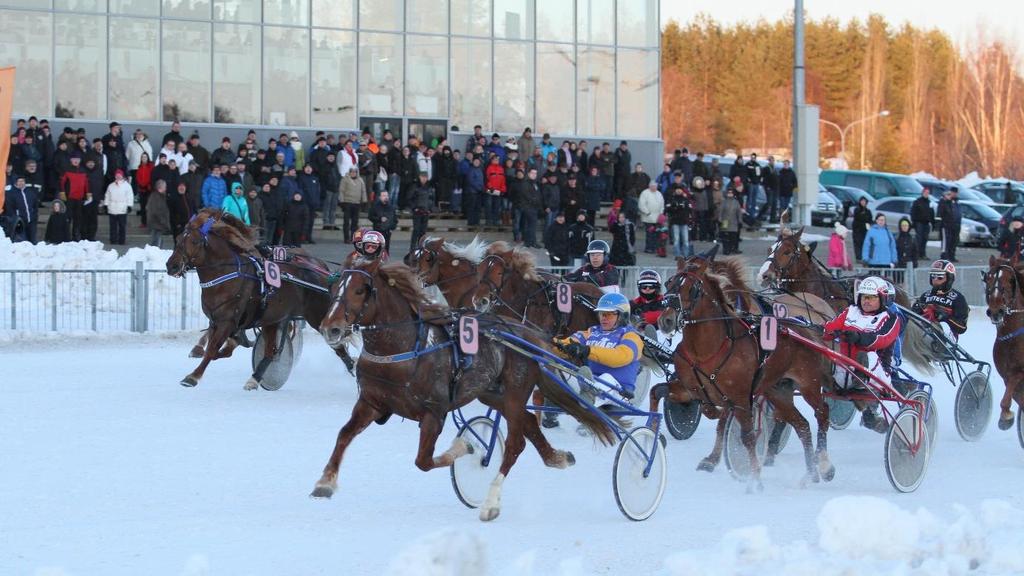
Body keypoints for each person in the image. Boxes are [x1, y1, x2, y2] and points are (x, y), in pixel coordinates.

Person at [550, 292, 645, 430]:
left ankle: (589, 397)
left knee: (605, 378)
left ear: (622, 316)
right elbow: (565, 343)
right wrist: (550, 342)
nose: (604, 318)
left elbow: (620, 357)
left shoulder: (631, 336)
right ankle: (584, 394)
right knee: (563, 371)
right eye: (601, 314)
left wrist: (587, 350)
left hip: (619, 390)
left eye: (609, 314)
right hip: (590, 379)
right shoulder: (591, 332)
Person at [823, 276, 901, 431]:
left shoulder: (890, 318)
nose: (866, 301)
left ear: (882, 298)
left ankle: (859, 389)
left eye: (872, 298)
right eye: (864, 297)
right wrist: (827, 331)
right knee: (825, 354)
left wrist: (858, 337)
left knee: (866, 355)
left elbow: (882, 339)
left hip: (877, 376)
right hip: (845, 369)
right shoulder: (850, 311)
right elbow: (829, 329)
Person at [912, 259, 968, 340]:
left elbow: (962, 328)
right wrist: (916, 310)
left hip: (945, 337)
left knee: (943, 326)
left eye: (940, 277)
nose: (935, 280)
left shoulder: (958, 298)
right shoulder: (925, 296)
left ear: (949, 278)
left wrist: (945, 317)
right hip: (921, 332)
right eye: (933, 276)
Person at [3, 175, 38, 243]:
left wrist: (35, 216)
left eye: (23, 181)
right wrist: (15, 219)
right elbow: (10, 208)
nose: (21, 183)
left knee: (33, 240)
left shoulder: (30, 192)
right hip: (20, 222)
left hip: (31, 220)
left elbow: (35, 205)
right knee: (23, 241)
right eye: (19, 181)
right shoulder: (12, 194)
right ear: (16, 182)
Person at [104, 169, 134, 245]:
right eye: (117, 175)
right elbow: (107, 195)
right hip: (112, 208)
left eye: (119, 175)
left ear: (122, 176)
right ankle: (113, 239)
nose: (118, 176)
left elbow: (130, 196)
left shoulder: (127, 186)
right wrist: (106, 204)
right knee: (112, 226)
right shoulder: (111, 186)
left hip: (122, 209)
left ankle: (122, 240)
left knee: (122, 226)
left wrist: (129, 206)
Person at [408, 171, 435, 256]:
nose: (424, 179)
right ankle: (412, 248)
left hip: (426, 212)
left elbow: (432, 199)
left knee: (423, 232)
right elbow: (409, 198)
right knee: (416, 230)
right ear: (419, 177)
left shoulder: (429, 187)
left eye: (425, 177)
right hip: (417, 212)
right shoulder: (415, 186)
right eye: (422, 177)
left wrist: (430, 209)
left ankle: (421, 248)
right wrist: (414, 208)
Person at [664, 186, 693, 258]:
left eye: (680, 190)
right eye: (677, 189)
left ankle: (686, 255)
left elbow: (689, 210)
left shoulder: (686, 200)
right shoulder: (672, 199)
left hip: (684, 222)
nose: (679, 191)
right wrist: (675, 207)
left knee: (685, 240)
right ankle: (677, 255)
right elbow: (668, 209)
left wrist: (689, 219)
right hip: (675, 222)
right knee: (676, 240)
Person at [339, 166, 365, 243]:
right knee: (346, 222)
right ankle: (346, 238)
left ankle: (354, 238)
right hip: (347, 202)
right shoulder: (345, 179)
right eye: (352, 172)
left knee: (355, 223)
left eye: (355, 172)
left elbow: (363, 191)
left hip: (357, 203)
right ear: (349, 172)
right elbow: (341, 190)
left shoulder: (360, 180)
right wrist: (342, 201)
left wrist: (364, 200)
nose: (353, 173)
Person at [638, 181, 665, 254]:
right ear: (649, 186)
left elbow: (662, 204)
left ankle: (655, 247)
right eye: (652, 186)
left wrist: (661, 213)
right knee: (649, 234)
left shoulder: (659, 194)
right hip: (648, 218)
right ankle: (649, 248)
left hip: (657, 218)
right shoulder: (645, 193)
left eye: (655, 186)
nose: (654, 187)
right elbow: (641, 204)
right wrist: (647, 213)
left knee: (656, 234)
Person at [937, 187, 962, 262]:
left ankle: (952, 255)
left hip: (955, 225)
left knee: (953, 241)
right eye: (951, 193)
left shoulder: (956, 202)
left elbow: (957, 213)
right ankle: (944, 255)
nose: (953, 195)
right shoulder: (944, 202)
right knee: (946, 241)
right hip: (946, 225)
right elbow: (940, 213)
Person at [146, 180, 172, 248]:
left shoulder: (161, 196)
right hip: (157, 223)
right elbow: (156, 211)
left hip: (158, 223)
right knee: (156, 243)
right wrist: (164, 222)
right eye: (165, 187)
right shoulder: (156, 197)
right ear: (160, 187)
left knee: (158, 242)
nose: (166, 188)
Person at [718, 185, 743, 255]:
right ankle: (726, 249)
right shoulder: (724, 202)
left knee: (733, 237)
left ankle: (732, 248)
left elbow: (739, 213)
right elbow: (720, 211)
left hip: (734, 222)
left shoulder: (736, 202)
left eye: (731, 193)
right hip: (725, 222)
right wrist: (719, 220)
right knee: (725, 237)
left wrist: (740, 221)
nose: (730, 194)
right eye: (729, 193)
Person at [910, 187, 933, 260]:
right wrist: (914, 222)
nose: (926, 194)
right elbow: (913, 212)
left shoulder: (929, 202)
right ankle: (916, 254)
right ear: (922, 193)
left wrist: (932, 222)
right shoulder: (917, 202)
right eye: (925, 192)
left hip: (926, 223)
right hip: (919, 223)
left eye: (928, 193)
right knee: (918, 240)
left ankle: (923, 254)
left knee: (925, 239)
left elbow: (931, 213)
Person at [894, 217, 918, 284]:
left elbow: (915, 252)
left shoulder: (912, 238)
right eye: (903, 226)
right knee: (899, 283)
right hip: (899, 264)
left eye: (906, 225)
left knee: (909, 283)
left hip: (909, 263)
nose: (905, 227)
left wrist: (915, 263)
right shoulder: (897, 238)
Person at [851, 197, 873, 263]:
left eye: (864, 201)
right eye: (862, 201)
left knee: (864, 244)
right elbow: (858, 218)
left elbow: (870, 220)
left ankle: (864, 257)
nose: (863, 202)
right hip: (857, 230)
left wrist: (869, 225)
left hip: (865, 231)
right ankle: (858, 258)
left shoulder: (868, 211)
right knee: (858, 244)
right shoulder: (857, 210)